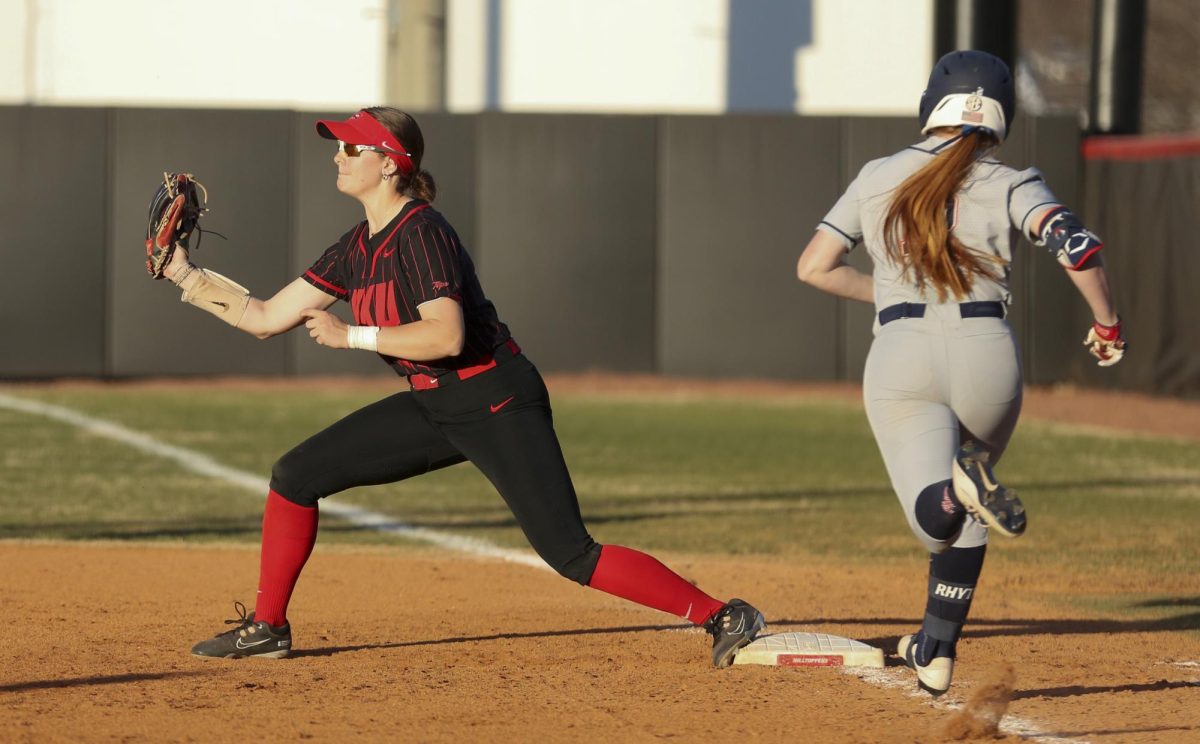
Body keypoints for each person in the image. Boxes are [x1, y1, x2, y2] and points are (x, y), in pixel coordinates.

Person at [164, 107, 764, 668]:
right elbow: (266, 318)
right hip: (436, 403)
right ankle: (268, 628)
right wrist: (184, 275)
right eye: (337, 147)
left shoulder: (421, 231)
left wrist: (352, 338)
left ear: (390, 162)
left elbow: (446, 336)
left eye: (351, 146)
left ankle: (724, 615)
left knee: (570, 553)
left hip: (496, 397)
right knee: (295, 476)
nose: (338, 156)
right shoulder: (356, 245)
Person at [795, 51, 1125, 695]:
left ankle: (956, 494)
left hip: (903, 353)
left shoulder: (878, 174)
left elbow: (813, 265)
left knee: (938, 515)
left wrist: (889, 292)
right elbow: (1075, 245)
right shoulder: (1012, 180)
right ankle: (935, 649)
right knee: (971, 503)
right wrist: (1108, 324)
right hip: (987, 351)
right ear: (1001, 114)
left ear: (933, 104)